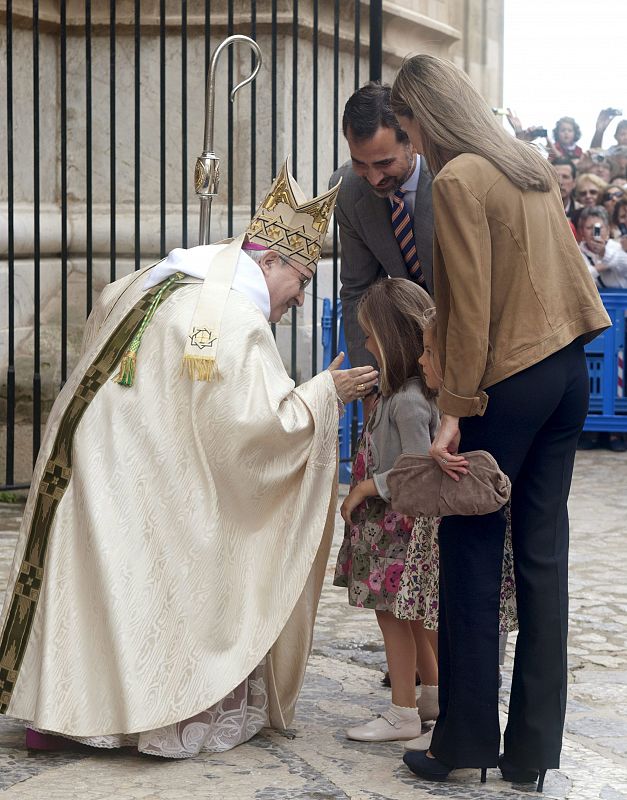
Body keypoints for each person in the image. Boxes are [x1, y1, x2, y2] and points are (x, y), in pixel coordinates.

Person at [0, 161, 380, 758]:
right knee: (163, 575)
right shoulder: (232, 318)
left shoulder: (158, 278)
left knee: (99, 584)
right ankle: (147, 715)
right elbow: (257, 428)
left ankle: (54, 715)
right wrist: (326, 392)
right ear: (270, 261)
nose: (301, 297)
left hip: (84, 455)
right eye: (302, 278)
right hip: (132, 467)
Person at [390, 54, 610, 791]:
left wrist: (453, 412)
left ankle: (461, 745)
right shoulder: (527, 165)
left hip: (507, 383)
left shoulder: (458, 179)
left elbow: (472, 306)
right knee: (542, 560)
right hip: (566, 373)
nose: (410, 142)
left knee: (472, 553)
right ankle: (529, 757)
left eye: (408, 126)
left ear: (423, 114)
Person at [394, 304, 517, 755]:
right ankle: (447, 713)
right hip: (434, 540)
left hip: (449, 538)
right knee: (435, 624)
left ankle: (458, 719)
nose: (421, 361)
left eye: (429, 352)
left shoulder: (460, 425)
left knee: (452, 628)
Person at [333, 278, 439, 743]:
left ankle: (402, 710)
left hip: (398, 531)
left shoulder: (410, 401)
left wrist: (364, 489)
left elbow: (415, 470)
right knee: (408, 614)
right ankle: (432, 693)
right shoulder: (396, 395)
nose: (368, 344)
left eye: (372, 335)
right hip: (389, 530)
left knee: (394, 616)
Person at [330, 82, 434, 421]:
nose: (374, 178)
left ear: (411, 141)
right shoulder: (346, 189)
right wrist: (369, 384)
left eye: (384, 163)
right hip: (410, 348)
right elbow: (359, 290)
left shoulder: (451, 176)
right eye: (361, 164)